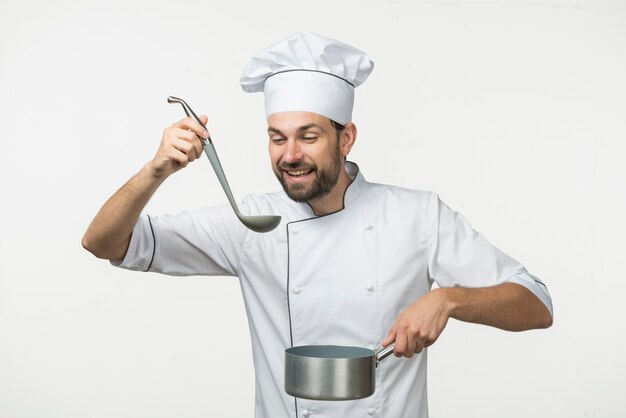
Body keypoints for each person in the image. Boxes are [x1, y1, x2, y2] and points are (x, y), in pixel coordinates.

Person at [82, 31, 553, 418]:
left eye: (309, 136)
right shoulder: (251, 224)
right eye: (277, 138)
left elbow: (536, 305)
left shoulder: (417, 215)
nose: (290, 156)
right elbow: (105, 243)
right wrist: (155, 170)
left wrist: (449, 299)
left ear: (345, 137)